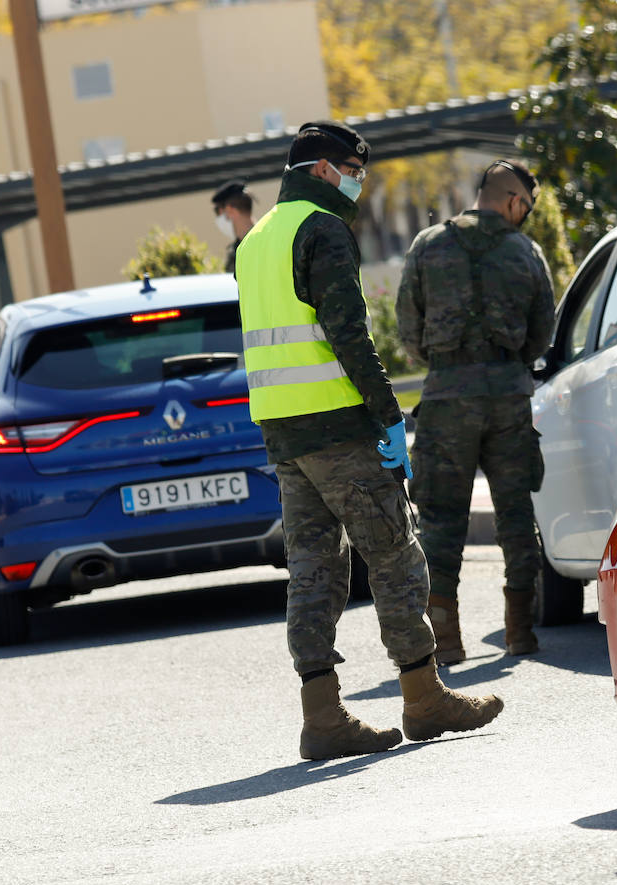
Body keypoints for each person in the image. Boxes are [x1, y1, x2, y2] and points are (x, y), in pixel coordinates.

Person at [235, 120, 504, 760]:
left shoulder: (255, 241)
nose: (360, 182)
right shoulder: (321, 230)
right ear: (324, 170)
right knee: (394, 555)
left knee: (312, 569)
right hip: (337, 426)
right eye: (355, 171)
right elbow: (349, 336)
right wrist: (388, 418)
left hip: (283, 433)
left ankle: (322, 718)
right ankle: (424, 697)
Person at [395, 159, 555, 663]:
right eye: (525, 207)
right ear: (511, 200)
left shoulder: (427, 245)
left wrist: (446, 366)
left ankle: (446, 641)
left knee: (440, 521)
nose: (525, 216)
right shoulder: (526, 252)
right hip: (508, 398)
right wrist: (506, 366)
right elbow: (542, 331)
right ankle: (520, 633)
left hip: (445, 400)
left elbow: (407, 328)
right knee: (515, 514)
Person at [211, 179, 256, 273]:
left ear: (230, 210)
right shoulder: (234, 251)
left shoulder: (261, 243)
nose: (218, 219)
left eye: (217, 211)